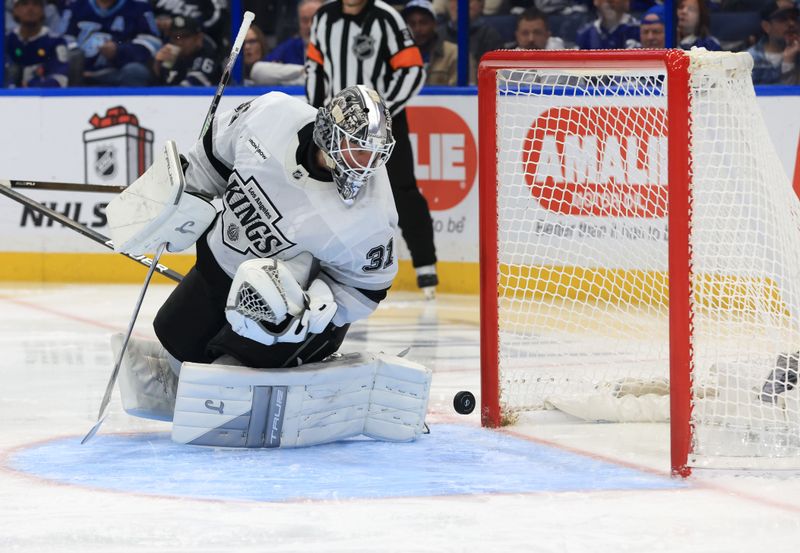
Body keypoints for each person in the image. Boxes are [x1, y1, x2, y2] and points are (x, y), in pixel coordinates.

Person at [109, 85, 398, 370]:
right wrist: (181, 196)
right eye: (358, 149)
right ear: (329, 132)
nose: (367, 164)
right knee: (174, 346)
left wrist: (318, 304)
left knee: (228, 375)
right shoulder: (271, 115)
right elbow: (212, 160)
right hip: (217, 269)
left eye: (376, 154)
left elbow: (367, 288)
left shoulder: (370, 214)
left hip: (284, 314)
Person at [307, 0, 439, 298]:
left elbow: (412, 70)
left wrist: (380, 115)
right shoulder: (323, 18)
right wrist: (315, 114)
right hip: (337, 127)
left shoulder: (387, 18)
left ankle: (425, 265)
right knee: (328, 190)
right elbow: (315, 69)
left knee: (401, 189)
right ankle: (328, 264)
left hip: (385, 126)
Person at [58, 0, 161, 86]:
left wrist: (119, 51)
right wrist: (77, 61)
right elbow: (61, 39)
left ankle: (127, 109)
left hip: (118, 72)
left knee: (136, 72)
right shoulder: (74, 4)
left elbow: (153, 43)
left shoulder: (139, 5)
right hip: (80, 74)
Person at [249, 0, 322, 86]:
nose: (310, 25)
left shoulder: (337, 47)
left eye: (315, 19)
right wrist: (305, 71)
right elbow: (258, 71)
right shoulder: (290, 47)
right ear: (298, 22)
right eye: (305, 20)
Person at [4, 0, 68, 87]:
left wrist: (29, 86)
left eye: (36, 4)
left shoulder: (55, 42)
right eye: (24, 4)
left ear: (43, 10)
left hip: (43, 98)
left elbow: (60, 79)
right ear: (15, 10)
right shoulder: (6, 41)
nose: (30, 9)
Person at [439, 0, 505, 84]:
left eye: (469, 1)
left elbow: (496, 77)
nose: (459, 6)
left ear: (482, 4)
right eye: (454, 0)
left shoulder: (491, 36)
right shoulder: (437, 35)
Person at [152, 16, 221, 87]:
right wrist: (157, 69)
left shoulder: (207, 58)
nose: (179, 42)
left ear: (199, 38)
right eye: (176, 37)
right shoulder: (172, 60)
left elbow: (187, 91)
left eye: (185, 36)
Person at [402, 0, 457, 85]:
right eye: (412, 24)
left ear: (434, 24)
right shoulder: (397, 55)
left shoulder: (453, 54)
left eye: (423, 23)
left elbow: (460, 95)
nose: (417, 29)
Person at [748, 0, 800, 85]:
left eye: (794, 18)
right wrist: (788, 64)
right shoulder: (750, 60)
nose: (791, 23)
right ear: (766, 26)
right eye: (783, 19)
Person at [150, 0, 227, 52]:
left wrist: (179, 23)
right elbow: (147, 15)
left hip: (199, 42)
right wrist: (158, 22)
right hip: (164, 41)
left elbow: (217, 21)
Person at [575, 0, 640, 50]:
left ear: (627, 2)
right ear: (595, 1)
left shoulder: (640, 29)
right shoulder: (585, 34)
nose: (609, 2)